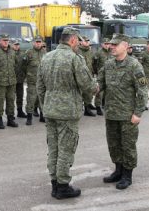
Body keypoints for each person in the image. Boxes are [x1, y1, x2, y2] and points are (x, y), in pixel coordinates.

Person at [37, 27, 98, 199]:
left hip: (50, 111)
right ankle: (63, 186)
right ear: (72, 40)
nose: (79, 44)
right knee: (66, 148)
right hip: (67, 112)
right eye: (78, 41)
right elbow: (87, 84)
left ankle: (55, 184)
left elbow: (40, 87)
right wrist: (96, 88)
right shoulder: (74, 58)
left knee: (53, 148)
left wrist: (46, 105)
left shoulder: (46, 57)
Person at [97, 34, 148, 190]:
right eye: (111, 44)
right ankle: (118, 171)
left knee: (128, 145)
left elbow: (143, 90)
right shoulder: (108, 64)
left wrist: (138, 113)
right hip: (111, 113)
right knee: (113, 144)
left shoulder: (134, 65)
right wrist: (91, 88)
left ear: (125, 46)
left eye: (116, 45)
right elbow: (100, 83)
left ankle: (127, 175)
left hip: (127, 115)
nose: (112, 47)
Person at [0, 34, 19, 129]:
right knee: (0, 101)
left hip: (11, 81)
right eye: (4, 40)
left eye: (7, 40)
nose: (6, 42)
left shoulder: (12, 52)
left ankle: (10, 119)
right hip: (0, 82)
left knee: (11, 100)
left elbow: (15, 64)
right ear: (0, 41)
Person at [23, 35, 46, 125]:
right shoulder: (29, 53)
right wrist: (28, 75)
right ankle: (29, 117)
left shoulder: (44, 52)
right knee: (31, 99)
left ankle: (42, 116)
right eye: (36, 42)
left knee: (42, 99)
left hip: (42, 81)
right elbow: (23, 66)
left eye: (39, 42)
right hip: (32, 80)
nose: (38, 44)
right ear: (33, 43)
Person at [93, 38, 112, 116]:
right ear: (102, 44)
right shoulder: (98, 53)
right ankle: (98, 106)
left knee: (108, 90)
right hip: (101, 74)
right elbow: (94, 63)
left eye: (108, 44)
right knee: (99, 91)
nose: (107, 45)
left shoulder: (111, 52)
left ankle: (104, 104)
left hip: (110, 74)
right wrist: (96, 72)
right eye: (105, 44)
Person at [78, 35, 96, 117]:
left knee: (89, 92)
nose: (87, 42)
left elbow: (93, 62)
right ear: (81, 42)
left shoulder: (90, 51)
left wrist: (94, 72)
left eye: (88, 41)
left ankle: (87, 108)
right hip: (80, 75)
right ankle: (78, 109)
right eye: (85, 41)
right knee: (79, 93)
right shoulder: (77, 51)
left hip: (89, 75)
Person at [12, 40, 27, 119]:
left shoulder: (23, 53)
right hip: (11, 79)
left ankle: (20, 111)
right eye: (15, 45)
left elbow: (25, 65)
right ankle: (11, 113)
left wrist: (24, 74)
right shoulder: (10, 53)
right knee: (11, 97)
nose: (17, 46)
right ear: (12, 45)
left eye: (18, 45)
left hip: (20, 79)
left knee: (20, 96)